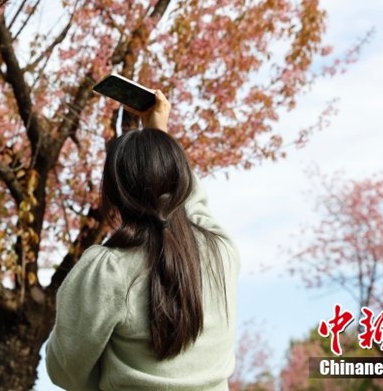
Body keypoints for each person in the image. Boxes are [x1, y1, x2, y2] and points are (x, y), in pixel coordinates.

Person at [46, 90, 239, 390]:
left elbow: (64, 369)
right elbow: (195, 205)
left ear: (115, 194)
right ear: (180, 180)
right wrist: (159, 135)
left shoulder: (108, 270)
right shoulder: (221, 252)